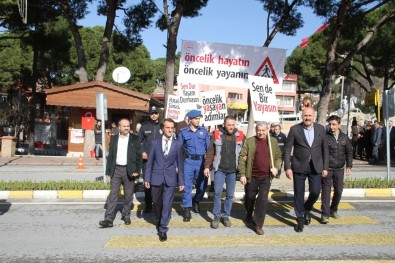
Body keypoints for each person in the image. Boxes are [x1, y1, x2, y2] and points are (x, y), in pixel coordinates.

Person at [284, 107, 329, 233]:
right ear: (302, 116)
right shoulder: (295, 129)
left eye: (310, 115)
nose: (307, 118)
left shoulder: (321, 129)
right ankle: (299, 220)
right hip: (299, 166)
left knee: (315, 191)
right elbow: (287, 149)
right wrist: (287, 167)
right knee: (298, 194)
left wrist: (325, 167)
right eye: (305, 116)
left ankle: (307, 207)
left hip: (316, 166)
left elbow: (325, 149)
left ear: (313, 116)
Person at [144, 118, 185, 242]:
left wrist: (181, 181)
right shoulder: (155, 143)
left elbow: (180, 164)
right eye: (168, 127)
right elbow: (150, 162)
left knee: (167, 204)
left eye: (172, 128)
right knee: (156, 202)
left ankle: (163, 228)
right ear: (163, 128)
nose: (170, 130)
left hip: (171, 178)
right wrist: (147, 178)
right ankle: (160, 218)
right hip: (156, 177)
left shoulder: (178, 144)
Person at [238, 122, 282, 235]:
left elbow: (278, 157)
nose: (261, 132)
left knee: (262, 200)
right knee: (249, 197)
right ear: (256, 130)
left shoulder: (272, 142)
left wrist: (276, 168)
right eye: (259, 130)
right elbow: (242, 158)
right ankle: (248, 213)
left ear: (267, 130)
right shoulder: (249, 141)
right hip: (251, 176)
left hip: (266, 177)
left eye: (263, 130)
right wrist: (242, 174)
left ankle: (258, 224)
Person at [99, 119, 142, 228]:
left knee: (128, 196)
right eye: (124, 126)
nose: (127, 128)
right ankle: (108, 219)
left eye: (128, 126)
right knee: (113, 195)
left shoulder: (135, 138)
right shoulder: (114, 139)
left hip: (129, 170)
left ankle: (126, 215)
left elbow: (138, 156)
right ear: (119, 127)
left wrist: (137, 170)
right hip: (116, 170)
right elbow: (111, 156)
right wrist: (109, 171)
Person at [203, 116, 245, 229]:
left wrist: (243, 171)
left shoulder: (241, 135)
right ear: (224, 124)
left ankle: (226, 216)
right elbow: (210, 151)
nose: (231, 127)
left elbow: (244, 153)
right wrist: (207, 166)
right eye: (229, 125)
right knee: (217, 193)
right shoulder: (216, 134)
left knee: (230, 195)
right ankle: (216, 216)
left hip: (233, 171)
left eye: (233, 125)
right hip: (219, 170)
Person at [178, 109, 210, 222]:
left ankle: (196, 200)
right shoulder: (183, 132)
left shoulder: (204, 131)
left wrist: (208, 164)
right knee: (187, 186)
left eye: (199, 118)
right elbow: (178, 149)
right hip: (188, 162)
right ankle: (187, 209)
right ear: (190, 120)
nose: (198, 120)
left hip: (201, 162)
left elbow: (209, 148)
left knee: (202, 186)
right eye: (196, 119)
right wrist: (178, 164)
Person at [321, 115, 353, 224]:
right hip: (327, 169)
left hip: (340, 169)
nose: (331, 127)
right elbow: (322, 154)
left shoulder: (345, 137)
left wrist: (349, 165)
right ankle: (325, 214)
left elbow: (349, 152)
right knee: (326, 192)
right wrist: (323, 168)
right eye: (330, 124)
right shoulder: (325, 137)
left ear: (339, 125)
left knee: (339, 191)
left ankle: (333, 210)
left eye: (334, 124)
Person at [139, 106, 162, 213]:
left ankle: (158, 203)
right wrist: (142, 151)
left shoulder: (163, 126)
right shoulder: (144, 127)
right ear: (149, 114)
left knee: (159, 182)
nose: (154, 115)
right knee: (147, 182)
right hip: (147, 159)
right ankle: (148, 205)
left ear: (158, 114)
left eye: (155, 113)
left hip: (160, 159)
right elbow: (138, 142)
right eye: (152, 113)